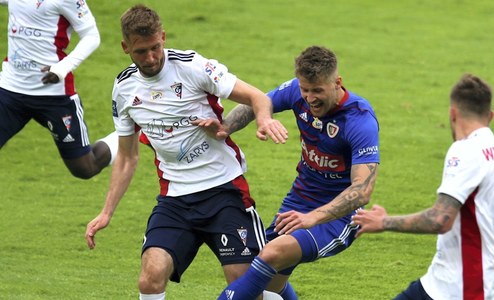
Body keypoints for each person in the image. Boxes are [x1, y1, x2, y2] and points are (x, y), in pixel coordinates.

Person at [83, 4, 288, 300]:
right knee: (150, 277)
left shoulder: (192, 66)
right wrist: (106, 212)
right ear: (125, 47)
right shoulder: (124, 88)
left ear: (163, 37)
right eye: (141, 51)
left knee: (245, 288)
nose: (151, 58)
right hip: (175, 199)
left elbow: (257, 96)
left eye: (156, 47)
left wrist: (265, 118)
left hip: (224, 192)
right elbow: (128, 157)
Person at [201, 45, 380, 300]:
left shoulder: (359, 120)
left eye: (318, 90)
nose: (310, 97)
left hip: (338, 216)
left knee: (271, 254)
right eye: (305, 90)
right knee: (267, 282)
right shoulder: (297, 91)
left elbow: (362, 190)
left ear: (337, 82)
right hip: (299, 200)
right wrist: (225, 128)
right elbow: (259, 102)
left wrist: (312, 218)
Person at [352, 74, 494, 300]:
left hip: (458, 292)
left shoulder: (464, 150)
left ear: (452, 114)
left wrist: (383, 222)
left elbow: (440, 219)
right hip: (449, 286)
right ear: (490, 116)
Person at [0, 0, 117, 179]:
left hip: (54, 94)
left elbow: (92, 36)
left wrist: (63, 68)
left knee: (85, 168)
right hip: (10, 89)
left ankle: (126, 134)